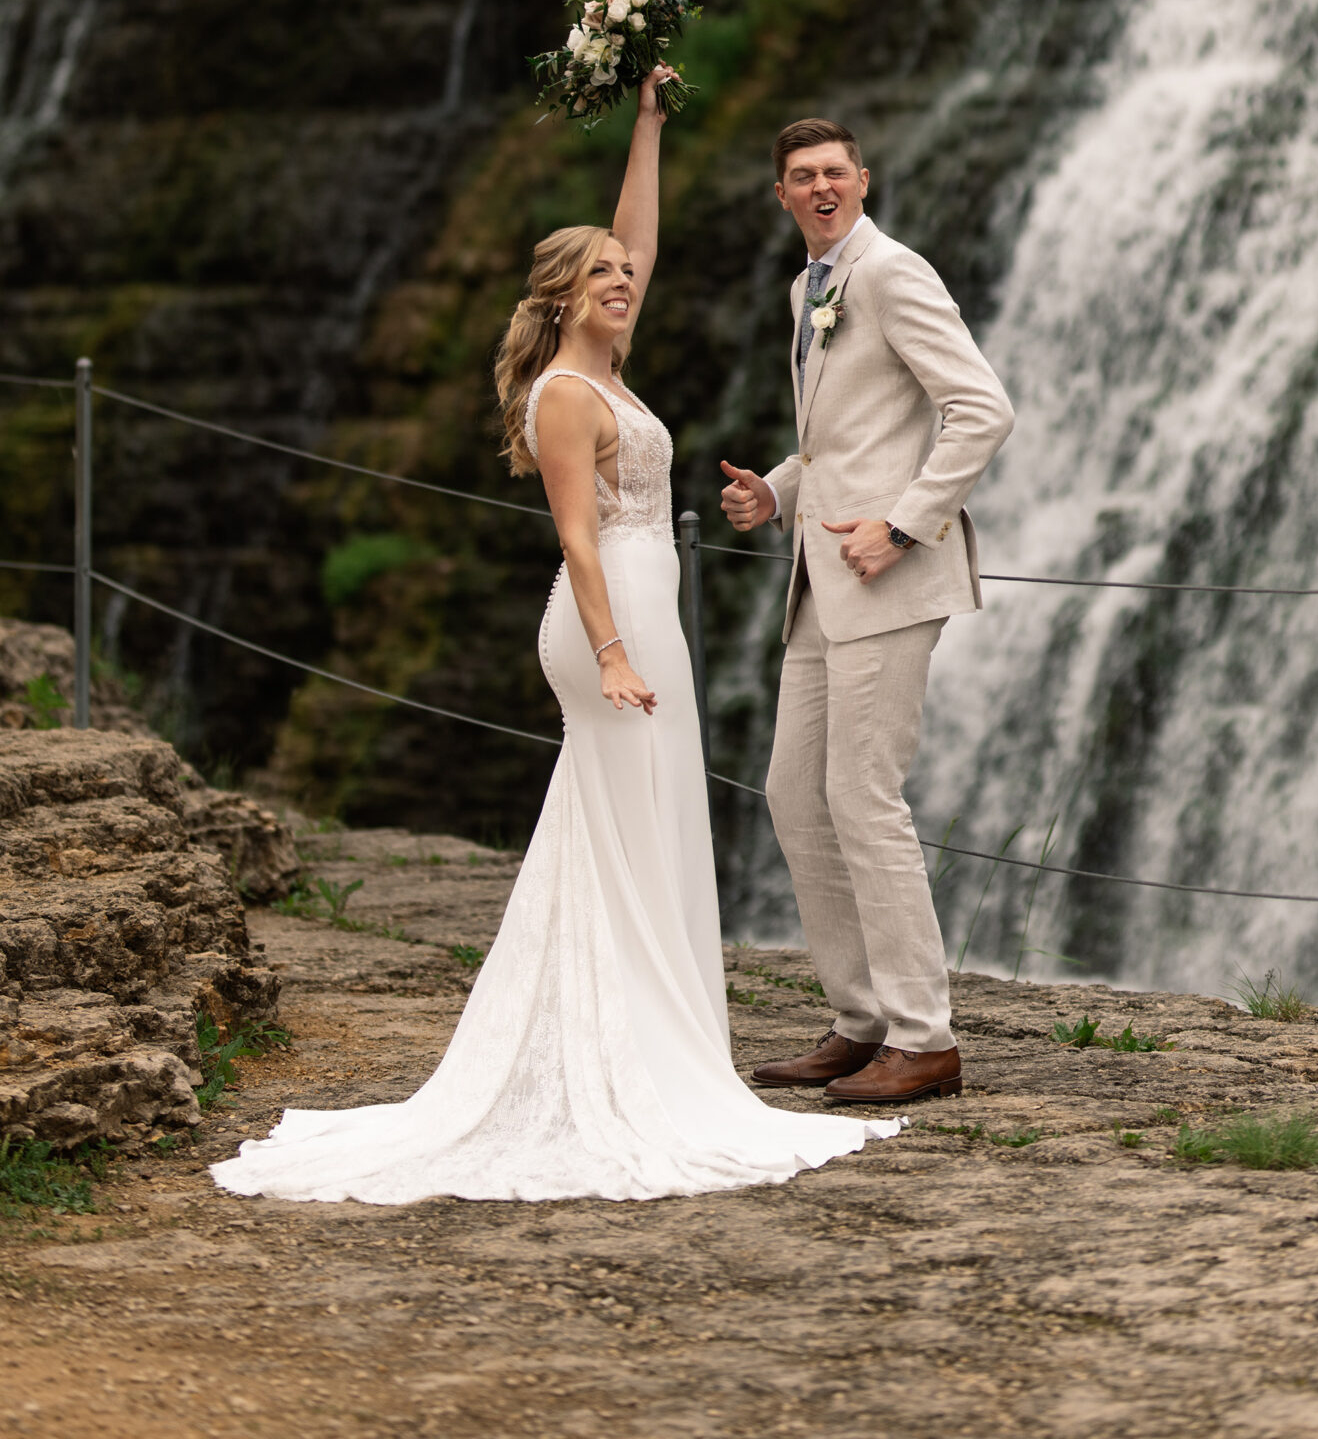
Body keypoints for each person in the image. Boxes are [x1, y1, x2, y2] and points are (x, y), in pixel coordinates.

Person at [211, 71, 895, 1205]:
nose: (626, 282)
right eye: (605, 276)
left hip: (642, 616)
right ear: (565, 294)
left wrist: (649, 124)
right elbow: (577, 537)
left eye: (627, 275)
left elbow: (640, 234)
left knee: (642, 827)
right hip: (610, 619)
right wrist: (616, 650)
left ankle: (652, 1041)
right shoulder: (566, 394)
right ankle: (629, 1061)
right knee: (629, 826)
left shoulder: (603, 363)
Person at [720, 117, 1014, 1108]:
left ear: (862, 179)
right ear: (783, 194)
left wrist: (903, 524)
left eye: (833, 172)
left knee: (864, 793)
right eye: (800, 175)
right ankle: (861, 1020)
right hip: (822, 579)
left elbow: (982, 406)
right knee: (793, 793)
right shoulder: (804, 289)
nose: (819, 187)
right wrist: (775, 489)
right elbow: (846, 443)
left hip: (888, 577)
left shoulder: (892, 271)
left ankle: (925, 1038)